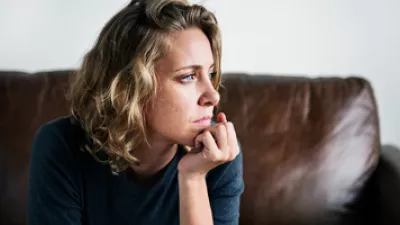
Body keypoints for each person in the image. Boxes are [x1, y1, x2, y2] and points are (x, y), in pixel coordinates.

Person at [27, 0, 244, 224]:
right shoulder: (62, 146)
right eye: (188, 76)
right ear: (131, 87)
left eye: (210, 74)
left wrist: (193, 178)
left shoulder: (219, 157)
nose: (214, 96)